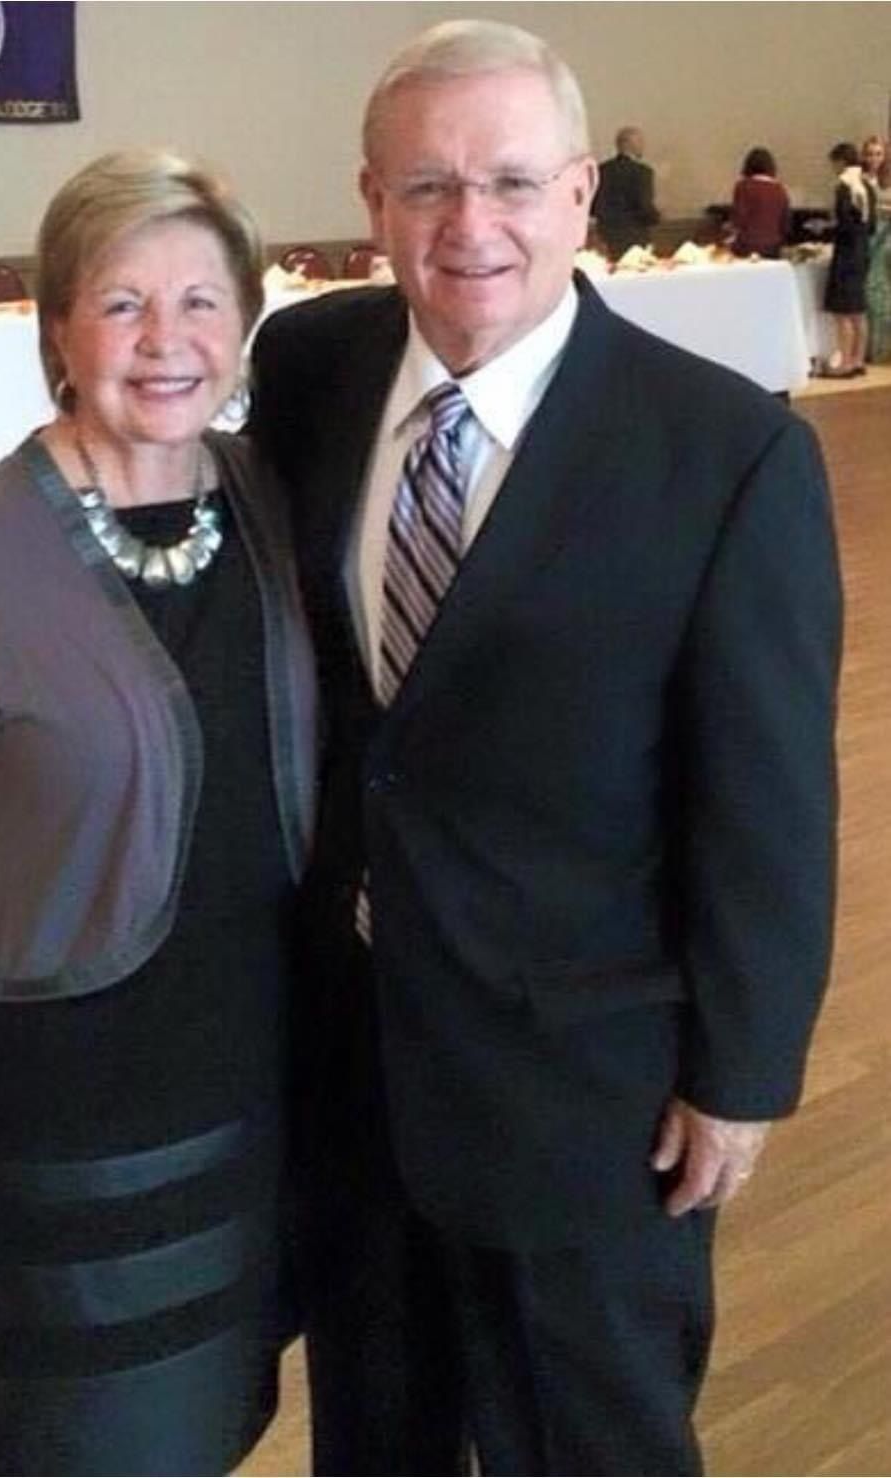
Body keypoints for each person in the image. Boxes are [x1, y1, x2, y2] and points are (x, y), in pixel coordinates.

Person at [251, 19, 841, 1477]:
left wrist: (743, 1068)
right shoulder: (309, 366)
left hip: (587, 1092)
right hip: (355, 1055)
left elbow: (765, 798)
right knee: (375, 1434)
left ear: (581, 194)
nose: (473, 227)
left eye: (512, 183)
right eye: (430, 187)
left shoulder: (725, 454)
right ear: (373, 198)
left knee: (591, 1439)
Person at [0, 149, 317, 1476]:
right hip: (48, 1124)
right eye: (123, 303)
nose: (167, 342)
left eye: (201, 302)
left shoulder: (261, 500)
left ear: (244, 325)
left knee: (202, 1424)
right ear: (56, 329)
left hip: (238, 1085)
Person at [822, 140, 877, 377]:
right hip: (863, 251)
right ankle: (858, 360)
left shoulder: (844, 185)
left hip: (846, 254)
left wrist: (826, 227)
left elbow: (844, 224)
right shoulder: (867, 185)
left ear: (841, 161)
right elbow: (872, 225)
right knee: (859, 311)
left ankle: (844, 363)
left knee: (843, 311)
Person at [592, 123, 660, 258]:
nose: (643, 146)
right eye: (640, 142)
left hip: (605, 236)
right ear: (631, 145)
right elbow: (644, 206)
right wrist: (656, 217)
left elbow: (593, 206)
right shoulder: (642, 172)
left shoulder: (601, 171)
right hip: (634, 237)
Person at [727, 146, 790, 258]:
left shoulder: (744, 186)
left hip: (747, 245)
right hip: (773, 246)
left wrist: (728, 231)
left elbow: (739, 218)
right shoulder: (780, 188)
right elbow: (784, 222)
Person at [860, 133, 891, 362]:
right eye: (870, 154)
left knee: (881, 294)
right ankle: (872, 350)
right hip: (868, 241)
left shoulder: (886, 181)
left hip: (886, 242)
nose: (874, 158)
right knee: (871, 293)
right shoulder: (860, 181)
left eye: (878, 154)